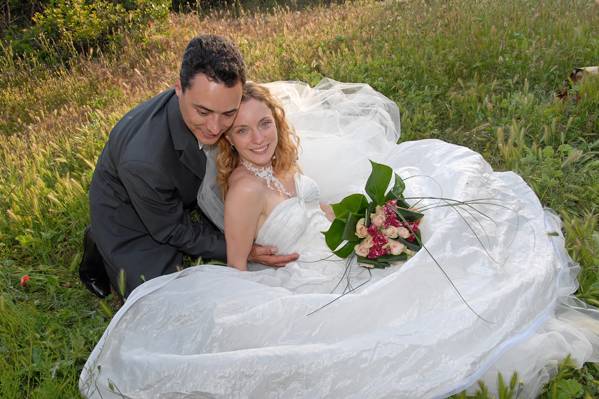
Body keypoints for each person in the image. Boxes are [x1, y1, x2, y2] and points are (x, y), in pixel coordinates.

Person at [79, 80, 599, 399]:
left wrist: (368, 223)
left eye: (265, 124)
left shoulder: (279, 162)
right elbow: (239, 270)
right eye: (243, 132)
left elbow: (316, 206)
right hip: (302, 266)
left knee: (429, 248)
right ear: (228, 142)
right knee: (393, 319)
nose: (259, 138)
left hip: (332, 240)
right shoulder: (242, 192)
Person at [79, 35, 298, 299]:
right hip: (130, 215)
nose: (216, 128)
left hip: (170, 183)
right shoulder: (144, 161)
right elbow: (172, 229)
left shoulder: (214, 97)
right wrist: (244, 250)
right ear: (179, 89)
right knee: (170, 301)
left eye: (228, 113)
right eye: (203, 112)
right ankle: (100, 245)